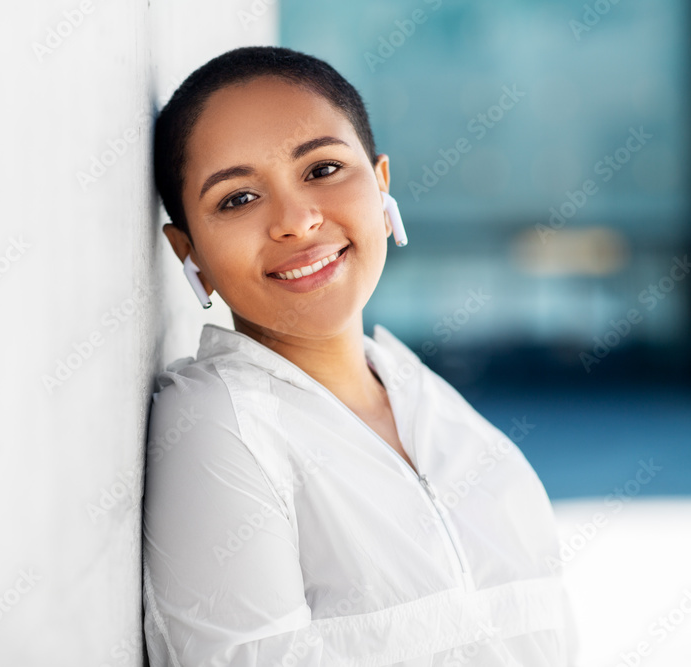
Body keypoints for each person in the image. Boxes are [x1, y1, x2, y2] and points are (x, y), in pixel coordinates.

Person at [142, 45, 578, 666]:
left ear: (380, 185)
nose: (296, 221)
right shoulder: (221, 425)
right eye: (238, 198)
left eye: (321, 169)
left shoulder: (426, 398)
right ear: (190, 252)